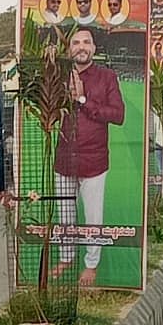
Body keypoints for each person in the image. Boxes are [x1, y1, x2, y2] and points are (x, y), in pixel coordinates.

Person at [54, 27, 125, 286]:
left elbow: (118, 115)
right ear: (69, 48)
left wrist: (82, 99)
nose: (81, 47)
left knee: (93, 215)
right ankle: (66, 257)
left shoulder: (106, 77)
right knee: (65, 214)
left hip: (94, 160)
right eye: (76, 42)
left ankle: (91, 265)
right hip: (63, 159)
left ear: (94, 49)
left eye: (86, 42)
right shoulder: (58, 76)